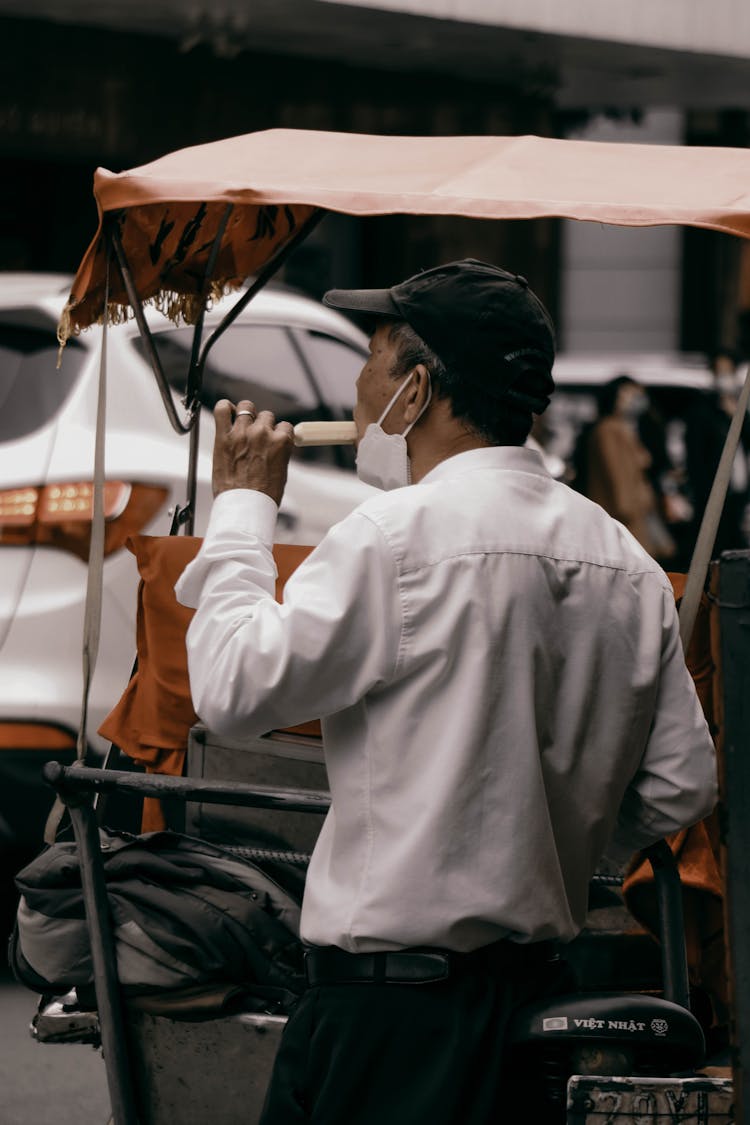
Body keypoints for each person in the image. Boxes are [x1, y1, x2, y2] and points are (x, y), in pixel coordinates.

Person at [175, 259, 717, 1125]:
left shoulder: (392, 538)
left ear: (415, 390)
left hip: (392, 1017)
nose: (356, 392)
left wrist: (242, 508)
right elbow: (682, 781)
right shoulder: (624, 558)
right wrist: (550, 836)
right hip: (539, 1000)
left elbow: (233, 690)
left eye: (371, 362)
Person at [574, 375, 677, 564]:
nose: (634, 399)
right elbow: (618, 479)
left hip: (629, 513)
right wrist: (629, 511)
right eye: (627, 394)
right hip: (627, 516)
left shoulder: (620, 428)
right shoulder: (611, 429)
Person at [684, 351, 750, 558]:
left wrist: (735, 415)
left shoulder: (739, 409)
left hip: (738, 494)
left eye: (727, 371)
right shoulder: (702, 412)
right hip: (713, 495)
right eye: (719, 371)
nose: (724, 376)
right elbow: (696, 457)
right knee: (715, 550)